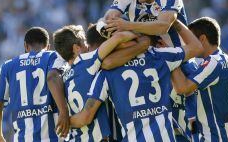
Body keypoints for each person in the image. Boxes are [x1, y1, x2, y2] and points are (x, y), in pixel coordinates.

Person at [99, 0, 192, 140]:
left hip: (178, 63)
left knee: (183, 128)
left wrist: (127, 26)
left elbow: (163, 26)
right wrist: (112, 24)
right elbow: (107, 21)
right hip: (148, 66)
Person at [69, 20, 203, 141]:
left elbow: (86, 116)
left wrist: (63, 121)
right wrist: (174, 21)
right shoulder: (161, 56)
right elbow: (197, 47)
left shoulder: (106, 71)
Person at [52, 24, 150, 141]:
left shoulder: (64, 76)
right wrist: (139, 32)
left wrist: (67, 121)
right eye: (84, 42)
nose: (87, 46)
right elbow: (119, 38)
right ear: (76, 48)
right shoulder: (87, 61)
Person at [171, 17, 228, 141]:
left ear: (202, 39)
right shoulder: (221, 58)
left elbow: (182, 87)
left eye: (190, 39)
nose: (188, 44)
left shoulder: (213, 62)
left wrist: (170, 56)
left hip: (217, 137)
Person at [0, 27, 66, 142]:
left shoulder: (8, 66)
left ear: (25, 46)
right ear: (48, 46)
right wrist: (64, 111)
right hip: (54, 138)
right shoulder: (54, 57)